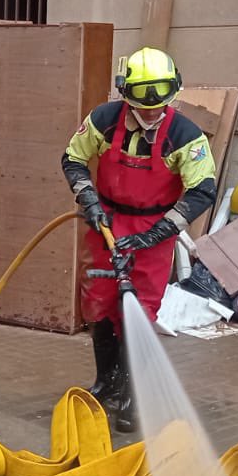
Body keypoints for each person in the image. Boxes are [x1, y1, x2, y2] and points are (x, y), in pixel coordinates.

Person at [62, 47, 217, 432]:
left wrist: (160, 232)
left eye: (159, 107)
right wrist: (89, 200)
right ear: (125, 95)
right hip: (107, 224)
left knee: (140, 310)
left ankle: (132, 391)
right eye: (142, 107)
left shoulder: (185, 135)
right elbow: (73, 159)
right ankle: (107, 381)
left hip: (153, 229)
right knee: (99, 301)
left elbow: (202, 190)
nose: (151, 114)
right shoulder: (103, 119)